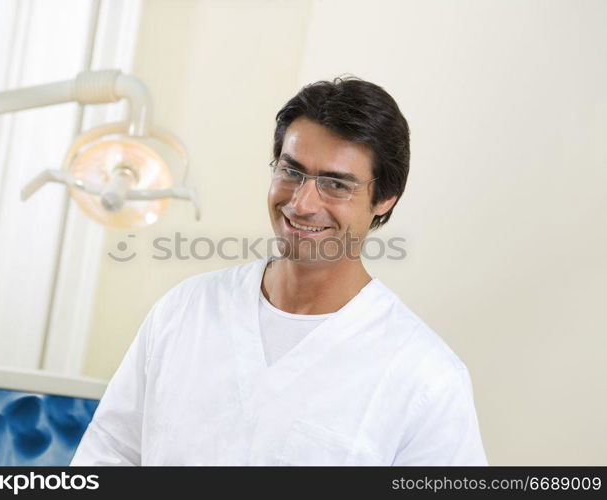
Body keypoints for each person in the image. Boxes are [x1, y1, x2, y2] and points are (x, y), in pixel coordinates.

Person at [71, 77, 487, 466]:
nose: (302, 203)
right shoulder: (184, 312)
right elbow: (107, 457)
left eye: (336, 184)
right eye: (291, 171)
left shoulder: (426, 378)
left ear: (385, 199)